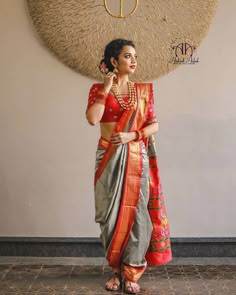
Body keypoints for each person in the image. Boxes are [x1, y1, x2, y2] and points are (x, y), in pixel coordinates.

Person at [86, 39, 172, 294]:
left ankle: (132, 272)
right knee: (108, 216)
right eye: (127, 56)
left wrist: (131, 136)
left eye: (135, 56)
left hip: (135, 155)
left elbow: (154, 124)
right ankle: (115, 270)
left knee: (137, 215)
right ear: (114, 61)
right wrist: (106, 88)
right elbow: (93, 119)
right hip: (107, 155)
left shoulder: (143, 91)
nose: (134, 61)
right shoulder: (98, 88)